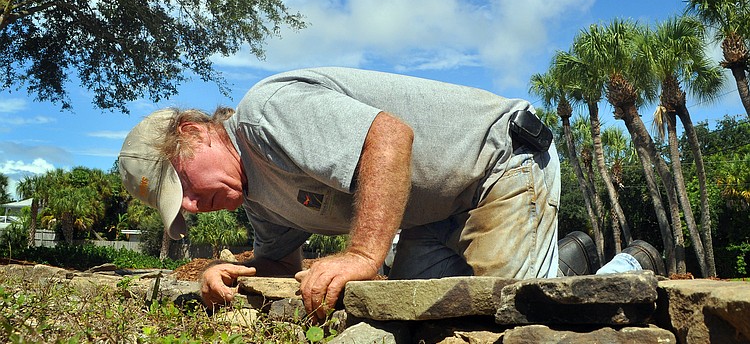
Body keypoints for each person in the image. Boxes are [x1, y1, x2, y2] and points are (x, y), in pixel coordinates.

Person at [118, 67, 660, 319]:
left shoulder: (265, 114)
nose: (190, 204)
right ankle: (570, 260)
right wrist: (232, 270)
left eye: (182, 184)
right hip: (430, 208)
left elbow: (389, 136)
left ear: (194, 132)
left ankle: (624, 272)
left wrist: (362, 254)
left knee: (515, 311)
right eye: (178, 204)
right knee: (438, 314)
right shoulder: (257, 197)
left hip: (498, 161)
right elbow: (281, 259)